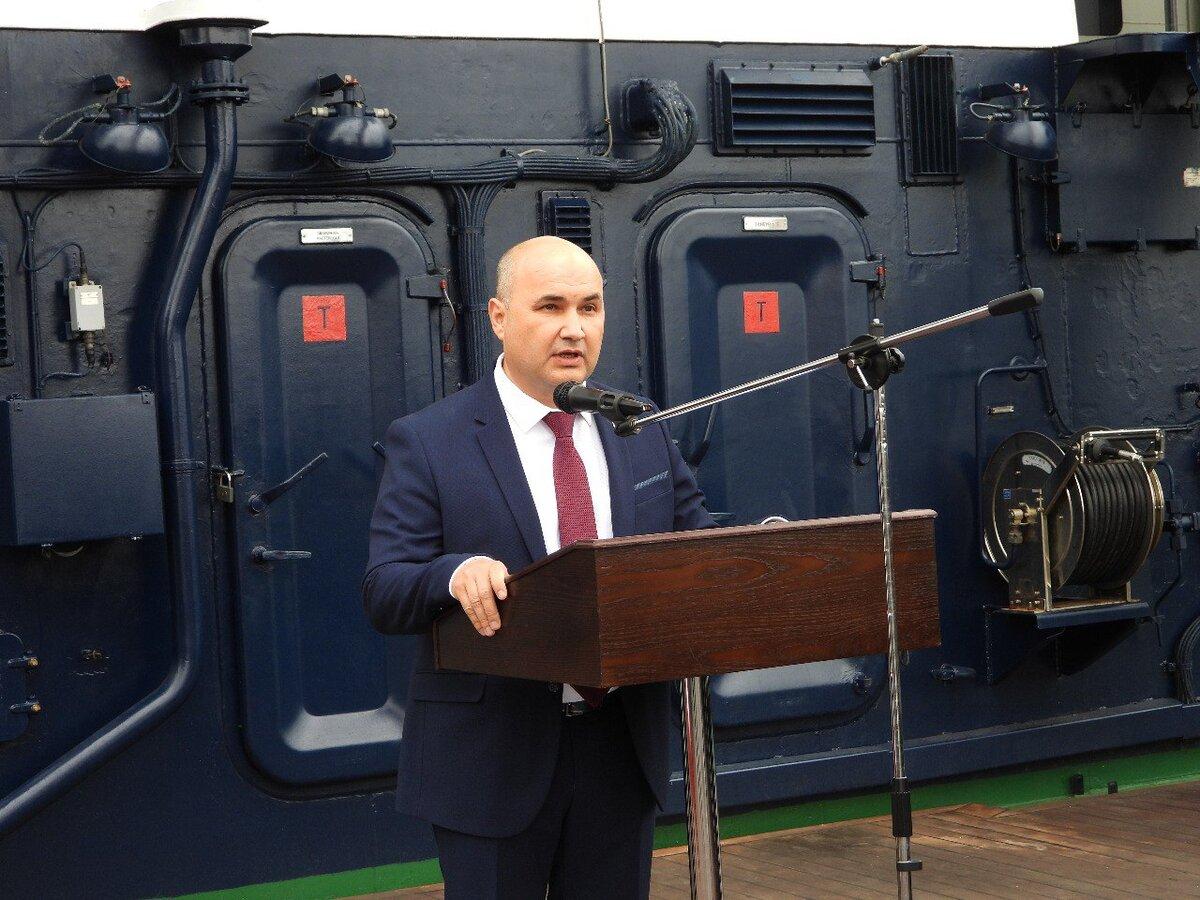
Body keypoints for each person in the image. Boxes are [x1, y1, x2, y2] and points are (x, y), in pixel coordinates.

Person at [362, 235, 714, 898]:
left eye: (590, 308)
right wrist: (453, 574)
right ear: (499, 317)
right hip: (489, 761)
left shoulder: (638, 426)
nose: (574, 328)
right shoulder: (430, 439)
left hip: (620, 752)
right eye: (550, 307)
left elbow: (699, 551)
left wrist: (765, 553)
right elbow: (385, 589)